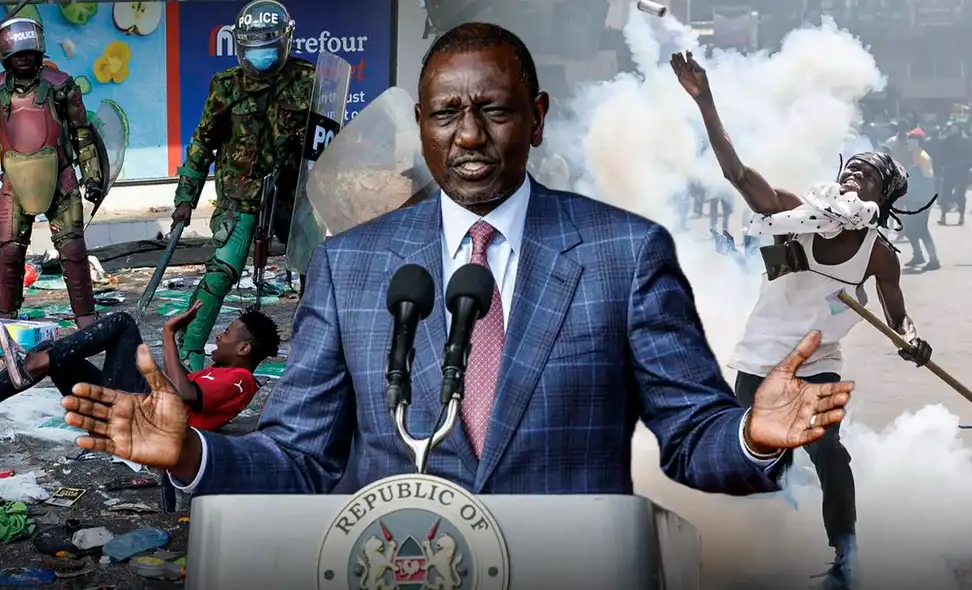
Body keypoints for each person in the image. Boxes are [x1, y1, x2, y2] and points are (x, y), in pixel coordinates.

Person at [62, 23, 854, 499]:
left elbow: (691, 435)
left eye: (495, 110)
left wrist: (751, 434)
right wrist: (193, 451)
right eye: (447, 114)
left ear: (535, 118)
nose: (469, 136)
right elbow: (301, 459)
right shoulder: (350, 268)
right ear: (421, 125)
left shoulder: (625, 255)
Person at [673, 51, 934, 589]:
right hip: (759, 363)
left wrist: (912, 341)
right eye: (853, 167)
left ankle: (847, 557)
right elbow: (737, 173)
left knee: (827, 450)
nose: (857, 174)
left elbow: (898, 315)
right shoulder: (794, 214)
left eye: (871, 175)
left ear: (880, 199)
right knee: (762, 462)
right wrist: (706, 101)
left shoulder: (879, 253)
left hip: (819, 364)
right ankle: (773, 539)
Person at [170, 0, 317, 371]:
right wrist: (186, 196)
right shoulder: (226, 86)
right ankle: (190, 351)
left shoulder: (308, 81)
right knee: (221, 271)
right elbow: (203, 142)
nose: (262, 57)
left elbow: (327, 139)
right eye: (253, 48)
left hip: (292, 195)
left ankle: (314, 350)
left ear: (285, 41)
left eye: (268, 47)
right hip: (241, 196)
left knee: (316, 270)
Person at [0, 18, 102, 328]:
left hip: (60, 177)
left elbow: (82, 132)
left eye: (29, 52)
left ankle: (86, 318)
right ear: (5, 56)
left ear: (39, 50)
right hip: (15, 182)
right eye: (17, 54)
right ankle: (5, 318)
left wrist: (92, 175)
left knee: (72, 250)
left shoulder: (60, 85)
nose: (24, 57)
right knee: (9, 252)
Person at [0, 306, 279, 432]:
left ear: (244, 349)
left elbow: (183, 394)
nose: (219, 335)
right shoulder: (218, 372)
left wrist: (169, 334)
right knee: (52, 353)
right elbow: (179, 386)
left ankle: (33, 363)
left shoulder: (241, 381)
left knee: (123, 323)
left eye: (226, 333)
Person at [900, 128, 939, 270]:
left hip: (922, 199)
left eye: (912, 139)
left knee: (922, 229)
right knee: (910, 229)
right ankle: (918, 255)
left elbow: (929, 176)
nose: (909, 142)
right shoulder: (912, 156)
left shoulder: (923, 157)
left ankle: (934, 260)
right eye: (909, 139)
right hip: (913, 198)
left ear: (919, 142)